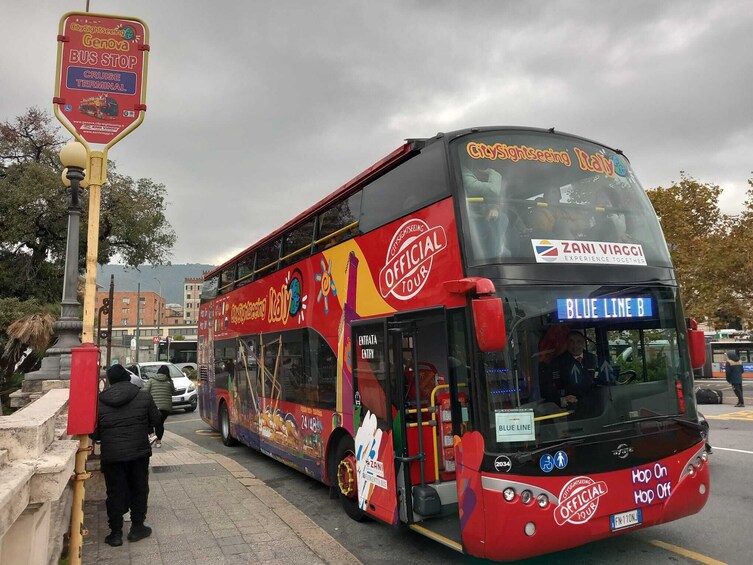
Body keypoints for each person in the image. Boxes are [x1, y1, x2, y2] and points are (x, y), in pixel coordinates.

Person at [92, 364, 161, 547]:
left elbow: (95, 434)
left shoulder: (98, 402)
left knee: (114, 492)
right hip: (138, 453)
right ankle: (137, 528)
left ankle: (115, 534)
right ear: (128, 378)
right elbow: (156, 420)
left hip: (112, 455)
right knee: (139, 488)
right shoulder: (143, 397)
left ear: (109, 381)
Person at [546, 331, 599, 414]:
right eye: (571, 342)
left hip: (593, 404)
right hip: (570, 406)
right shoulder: (558, 361)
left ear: (584, 343)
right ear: (567, 344)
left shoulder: (591, 358)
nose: (575, 345)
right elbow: (553, 386)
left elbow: (596, 379)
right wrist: (562, 399)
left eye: (579, 342)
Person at [144, 364, 176, 448]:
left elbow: (144, 391)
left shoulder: (151, 380)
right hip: (166, 407)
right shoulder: (169, 381)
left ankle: (152, 435)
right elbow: (173, 392)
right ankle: (158, 442)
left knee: (148, 421)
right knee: (160, 423)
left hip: (154, 406)